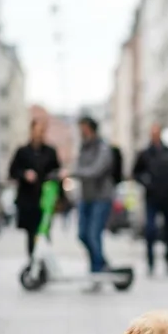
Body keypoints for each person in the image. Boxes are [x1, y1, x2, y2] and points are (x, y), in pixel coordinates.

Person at [61, 116, 115, 284]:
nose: (80, 131)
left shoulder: (103, 148)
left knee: (93, 235)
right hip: (86, 197)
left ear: (90, 128)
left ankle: (96, 272)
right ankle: (102, 264)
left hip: (101, 198)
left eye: (82, 128)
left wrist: (73, 173)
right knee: (83, 235)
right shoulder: (83, 147)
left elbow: (96, 170)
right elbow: (78, 166)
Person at [132, 122, 168, 276]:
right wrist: (146, 183)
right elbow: (136, 173)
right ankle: (150, 262)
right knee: (150, 230)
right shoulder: (145, 153)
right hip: (152, 197)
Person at [9, 117, 61, 258]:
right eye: (37, 130)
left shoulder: (50, 152)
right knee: (31, 233)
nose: (39, 134)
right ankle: (33, 261)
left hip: (46, 199)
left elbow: (57, 171)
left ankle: (44, 260)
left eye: (42, 131)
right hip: (28, 199)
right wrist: (24, 174)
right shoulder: (22, 151)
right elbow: (12, 171)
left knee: (44, 231)